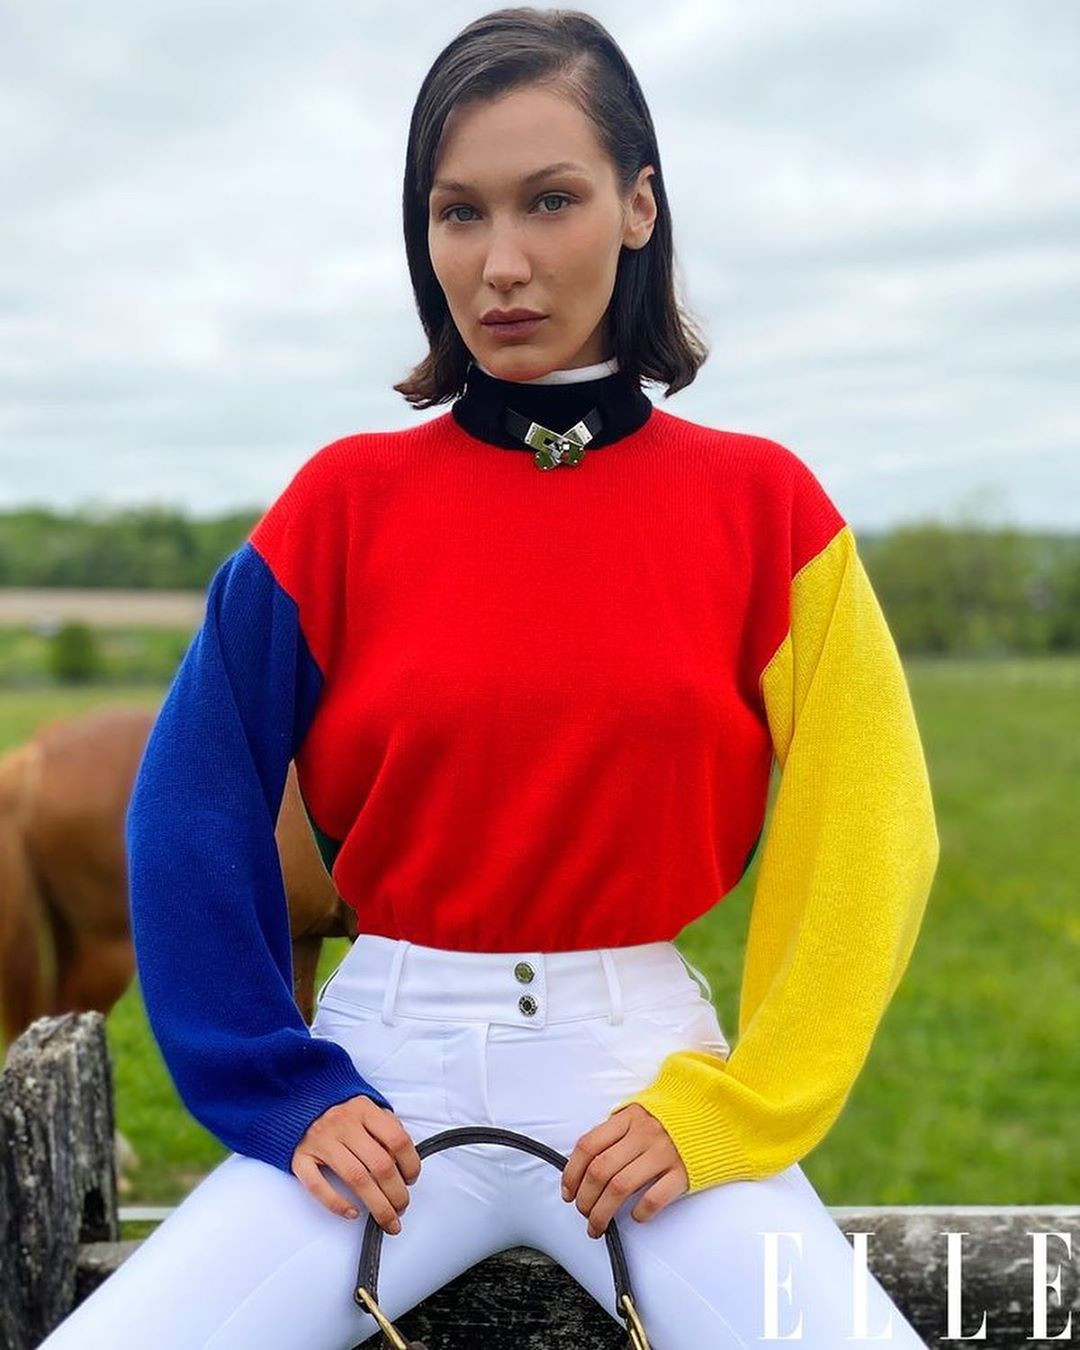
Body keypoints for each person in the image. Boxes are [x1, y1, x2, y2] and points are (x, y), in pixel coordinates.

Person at [37, 8, 939, 1348]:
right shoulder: (341, 507)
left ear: (639, 208)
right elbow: (190, 802)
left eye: (551, 201)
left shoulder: (768, 511)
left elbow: (874, 830)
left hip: (644, 1091)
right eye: (458, 213)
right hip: (380, 1094)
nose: (501, 263)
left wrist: (742, 1107)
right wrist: (277, 1085)